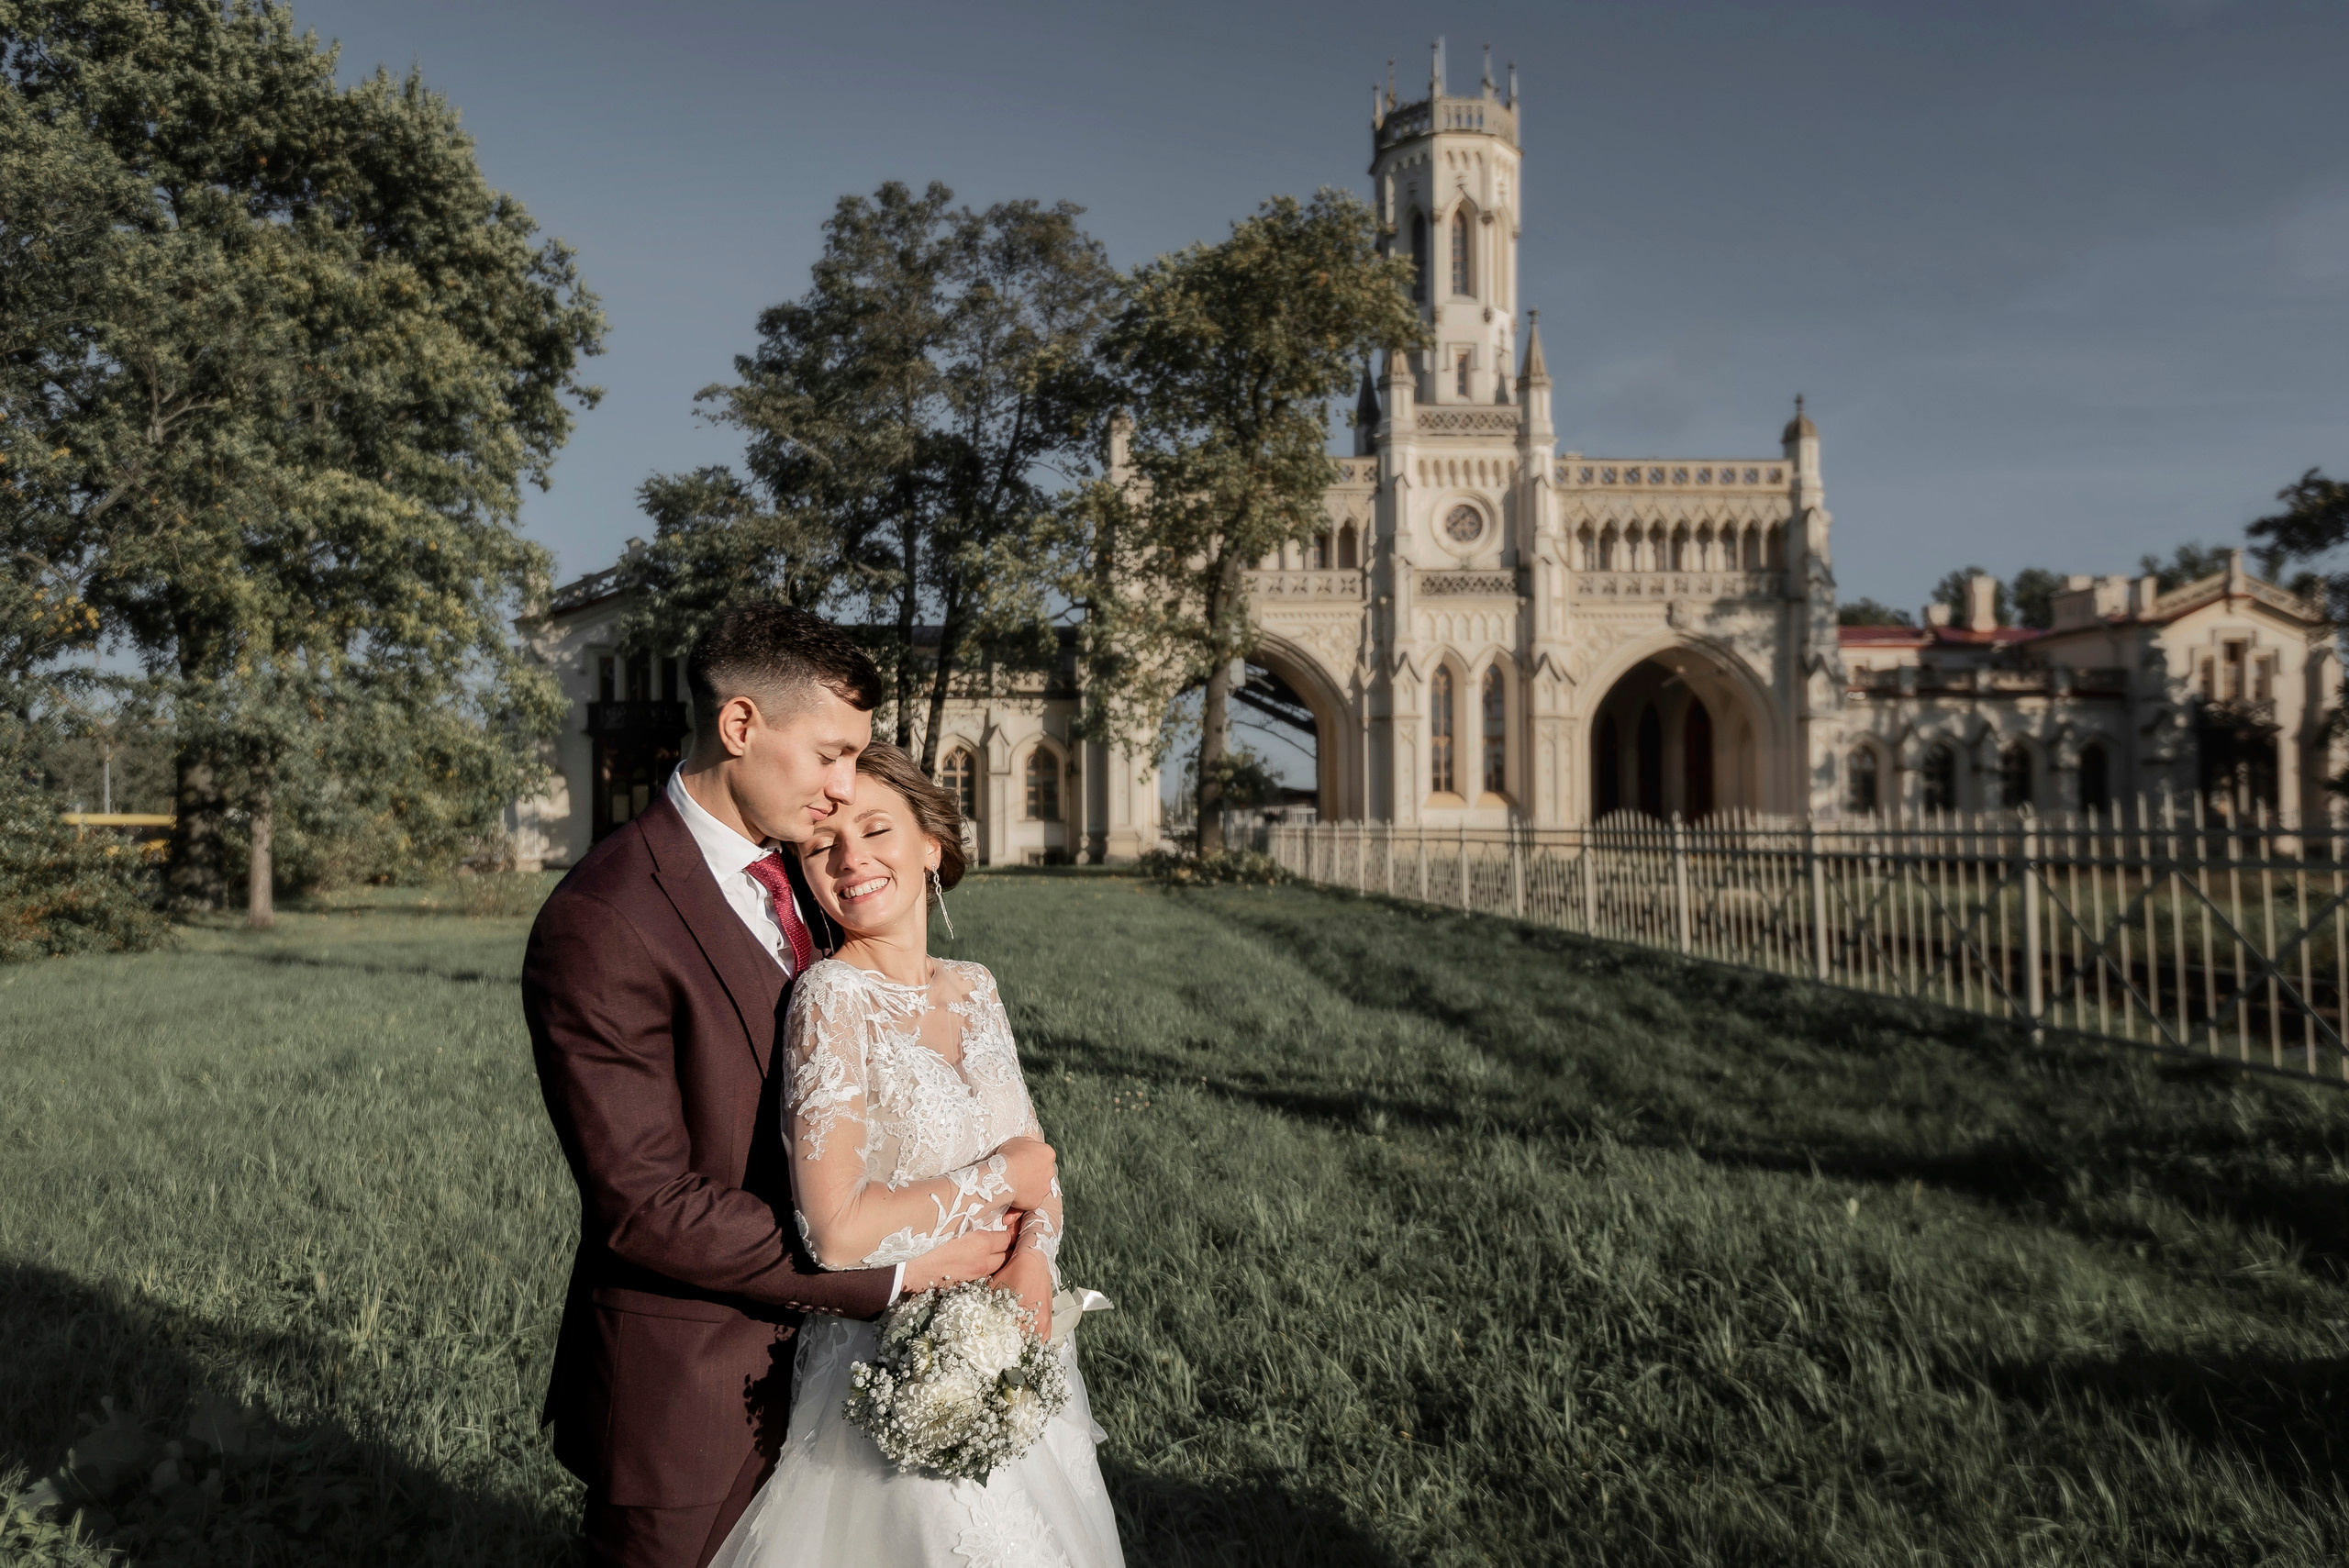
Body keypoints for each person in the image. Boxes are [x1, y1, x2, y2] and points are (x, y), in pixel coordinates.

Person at [523, 606, 1017, 1568]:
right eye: (832, 753)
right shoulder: (604, 918)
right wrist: (896, 1273)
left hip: (855, 1379)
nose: (845, 790)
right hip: (697, 1389)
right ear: (741, 725)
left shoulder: (816, 870)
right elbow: (646, 1205)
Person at [708, 740, 1123, 1568]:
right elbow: (835, 1230)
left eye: (876, 829)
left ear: (931, 842)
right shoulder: (829, 998)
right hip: (897, 1360)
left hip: (1013, 1339)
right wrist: (1002, 1178)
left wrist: (1032, 1265)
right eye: (824, 844)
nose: (851, 857)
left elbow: (1039, 1169)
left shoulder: (976, 986)